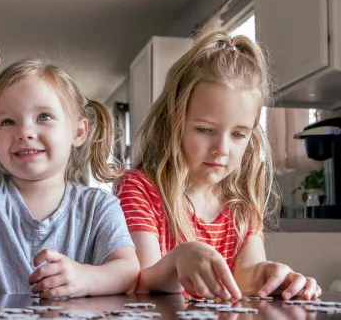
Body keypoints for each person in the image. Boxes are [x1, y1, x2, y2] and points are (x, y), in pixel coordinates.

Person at [0, 44, 139, 299]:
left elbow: (128, 271)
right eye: (8, 122)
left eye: (43, 117)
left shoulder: (99, 206)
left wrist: (85, 278)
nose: (24, 132)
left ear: (78, 131)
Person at [115, 31, 321, 301]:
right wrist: (178, 262)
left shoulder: (243, 204)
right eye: (204, 129)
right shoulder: (139, 190)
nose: (222, 149)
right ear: (173, 122)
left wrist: (270, 276)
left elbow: (246, 276)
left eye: (238, 134)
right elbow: (140, 282)